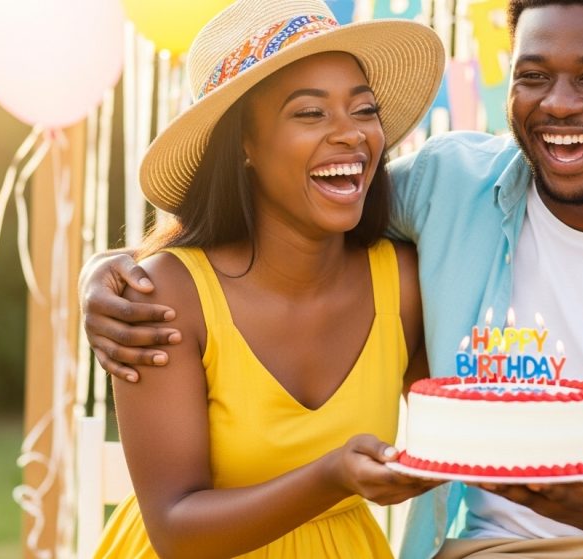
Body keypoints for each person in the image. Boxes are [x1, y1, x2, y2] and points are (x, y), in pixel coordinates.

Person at [81, 0, 583, 557]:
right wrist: (111, 271)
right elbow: (297, 213)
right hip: (491, 548)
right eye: (533, 76)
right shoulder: (448, 190)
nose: (560, 104)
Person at [86, 0, 447, 557]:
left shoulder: (402, 283)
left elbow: (455, 433)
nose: (351, 134)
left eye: (363, 109)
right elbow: (175, 530)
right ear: (245, 145)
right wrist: (331, 476)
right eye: (310, 113)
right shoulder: (165, 297)